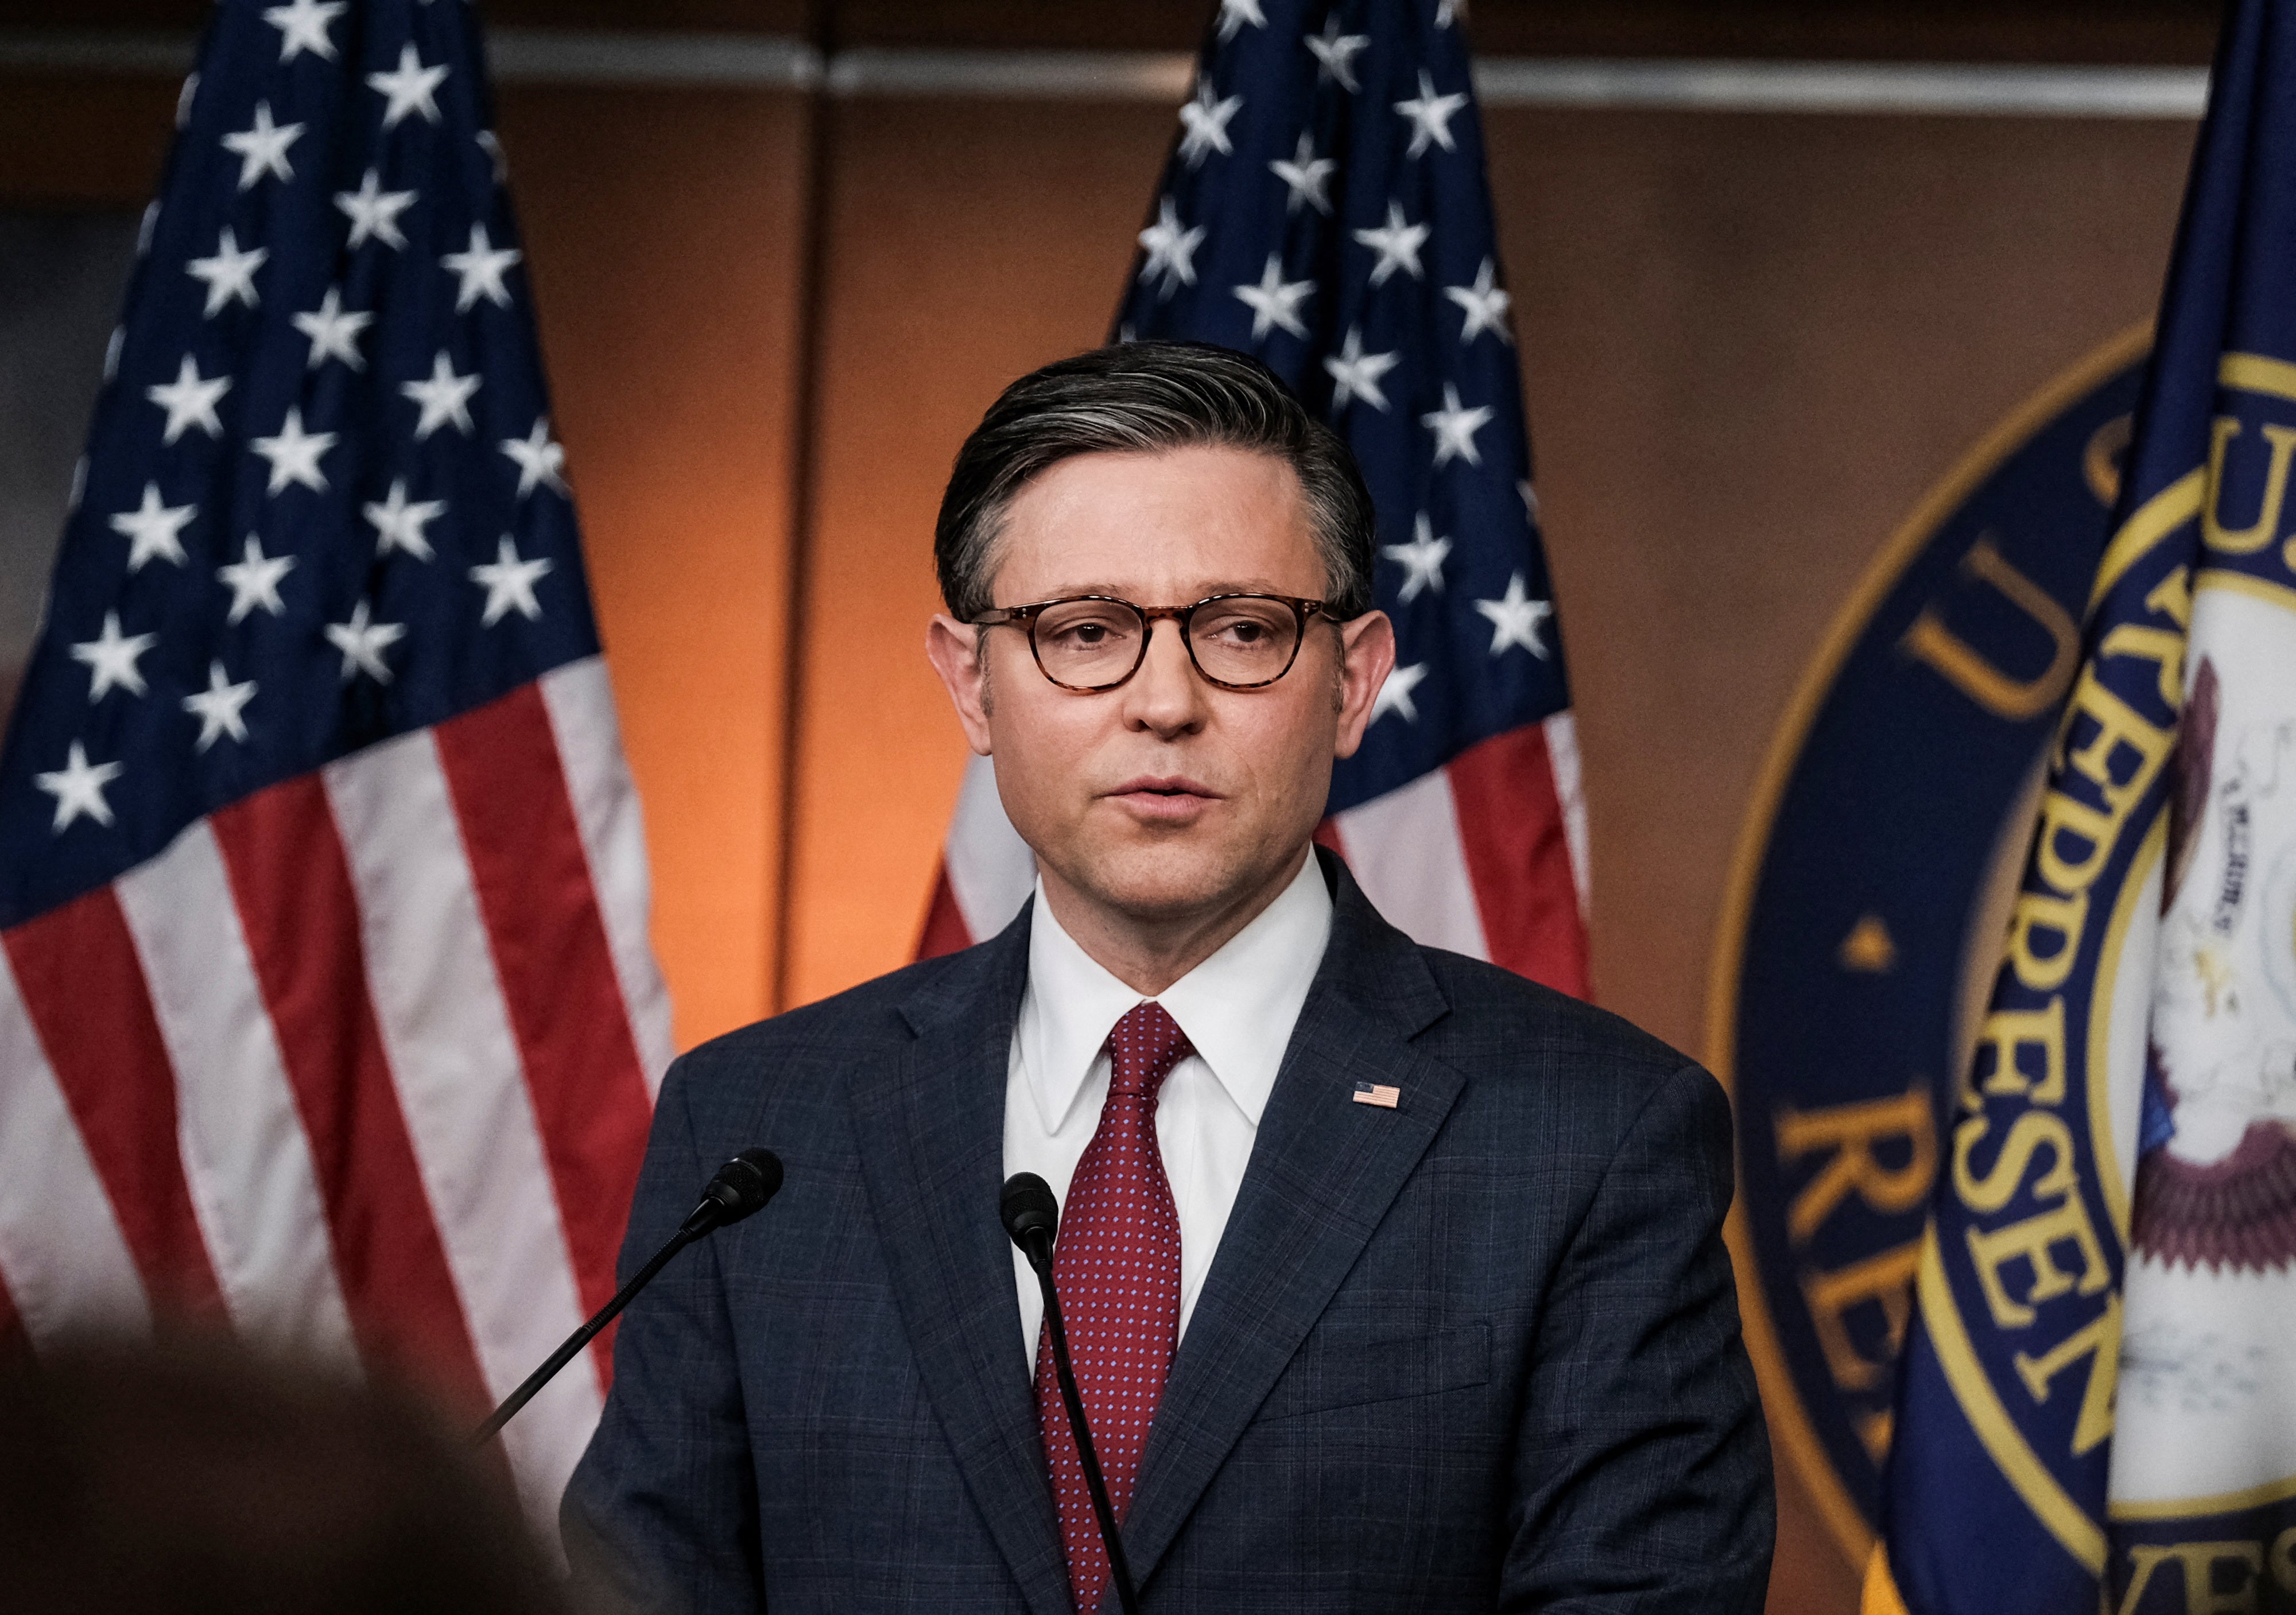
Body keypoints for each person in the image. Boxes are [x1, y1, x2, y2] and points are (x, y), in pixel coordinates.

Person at [563, 341, 1773, 1613]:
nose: (1163, 702)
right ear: (971, 681)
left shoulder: (1590, 1138)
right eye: (1083, 632)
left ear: (1353, 682)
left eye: (1240, 631)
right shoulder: (759, 1129)